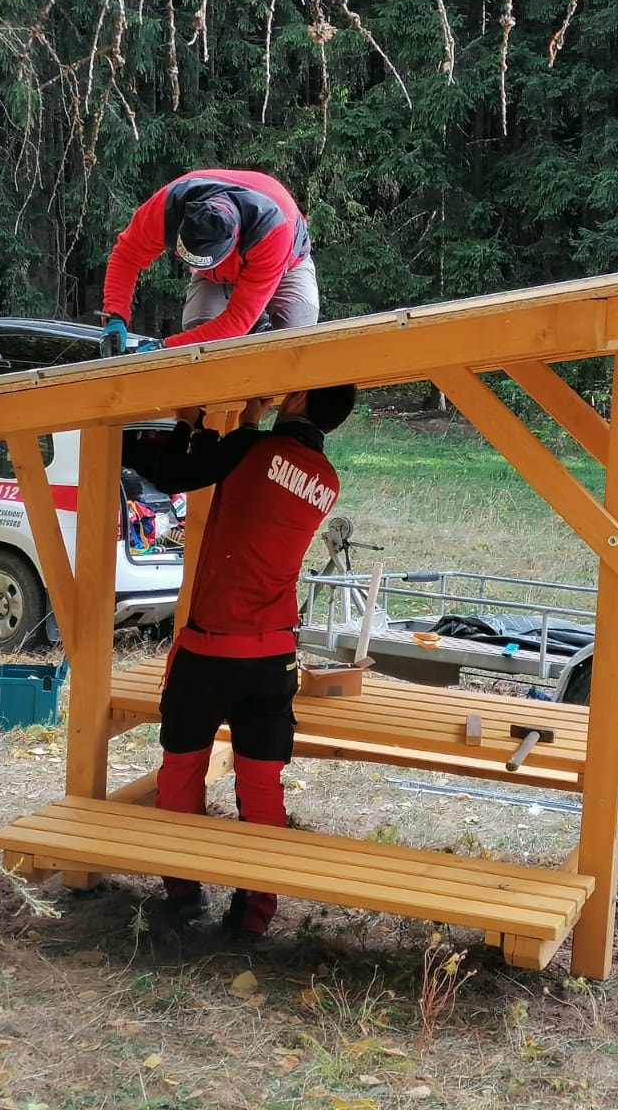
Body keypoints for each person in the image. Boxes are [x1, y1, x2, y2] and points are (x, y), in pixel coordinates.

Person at [148, 383, 358, 937]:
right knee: (262, 787)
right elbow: (269, 480)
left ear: (296, 401)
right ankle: (253, 918)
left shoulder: (252, 449)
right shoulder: (328, 482)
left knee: (181, 774)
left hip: (209, 648)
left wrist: (192, 423)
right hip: (274, 656)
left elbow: (173, 473)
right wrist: (248, 426)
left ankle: (183, 897)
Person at [98, 169, 318, 358]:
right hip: (217, 274)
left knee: (294, 339)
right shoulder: (169, 206)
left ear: (232, 244)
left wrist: (164, 348)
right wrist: (115, 317)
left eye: (201, 263)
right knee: (201, 347)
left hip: (286, 264)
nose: (193, 268)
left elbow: (236, 321)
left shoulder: (271, 230)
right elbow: (127, 256)